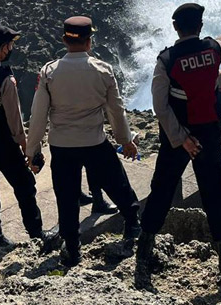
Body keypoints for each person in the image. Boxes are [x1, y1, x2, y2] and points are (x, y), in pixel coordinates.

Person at [137, 3, 221, 283]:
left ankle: (144, 253)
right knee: (215, 194)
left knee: (161, 190)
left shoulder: (167, 59)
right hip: (208, 134)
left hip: (177, 137)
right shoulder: (211, 50)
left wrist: (181, 138)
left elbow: (160, 107)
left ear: (176, 27)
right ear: (200, 27)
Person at [27, 16, 141, 266]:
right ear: (90, 42)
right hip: (94, 141)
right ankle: (133, 224)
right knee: (117, 183)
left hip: (62, 145)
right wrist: (126, 140)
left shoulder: (49, 71)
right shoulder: (103, 70)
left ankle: (72, 249)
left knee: (67, 198)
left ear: (64, 40)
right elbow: (116, 110)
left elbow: (38, 115)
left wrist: (32, 149)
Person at [0, 25, 59, 251]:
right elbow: (14, 120)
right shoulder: (5, 79)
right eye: (11, 44)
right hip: (3, 143)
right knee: (25, 186)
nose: (12, 48)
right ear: (4, 48)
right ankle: (36, 233)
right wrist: (28, 148)